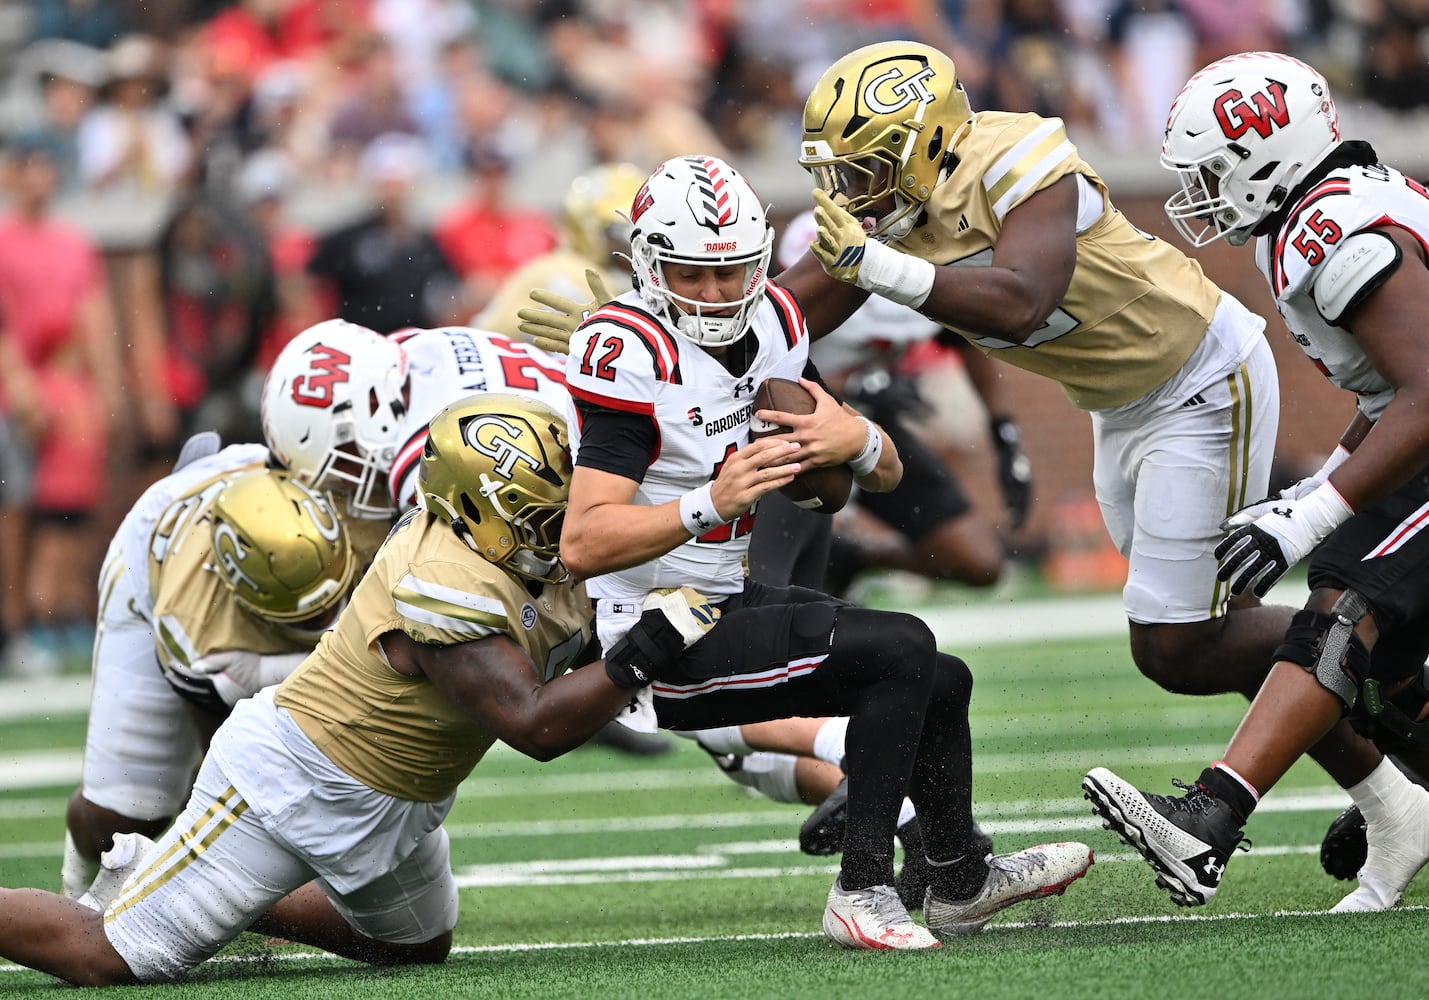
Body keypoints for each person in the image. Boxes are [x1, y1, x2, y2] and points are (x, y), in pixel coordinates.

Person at [764, 39, 1407, 838]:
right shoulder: (889, 215)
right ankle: (1394, 795)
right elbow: (779, 319)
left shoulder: (1015, 156)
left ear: (927, 144)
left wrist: (877, 268)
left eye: (867, 168)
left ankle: (1388, 684)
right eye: (840, 173)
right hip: (1118, 405)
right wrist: (667, 338)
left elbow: (1022, 301)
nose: (851, 191)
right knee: (1216, 625)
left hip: (1199, 378)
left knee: (1178, 641)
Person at [0, 393, 719, 985]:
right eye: (535, 513)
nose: (556, 527)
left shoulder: (522, 544)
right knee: (111, 956)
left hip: (402, 797)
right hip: (298, 781)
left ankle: (182, 877)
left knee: (413, 945)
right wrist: (647, 647)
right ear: (473, 508)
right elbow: (536, 726)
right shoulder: (442, 580)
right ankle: (188, 882)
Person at [559, 153, 1091, 950]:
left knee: (942, 677)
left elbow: (853, 482)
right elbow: (583, 541)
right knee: (899, 648)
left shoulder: (774, 322)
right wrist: (711, 502)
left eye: (730, 271)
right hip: (649, 631)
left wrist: (857, 441)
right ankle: (862, 887)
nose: (713, 294)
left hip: (723, 597)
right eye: (690, 273)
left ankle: (959, 879)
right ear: (645, 263)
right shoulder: (630, 349)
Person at [1082, 51, 1429, 913]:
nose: (1199, 194)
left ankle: (1210, 816)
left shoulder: (1334, 229)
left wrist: (1311, 514)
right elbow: (1389, 396)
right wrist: (1321, 485)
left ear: (1265, 153)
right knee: (1371, 657)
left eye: (1211, 172)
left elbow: (1426, 390)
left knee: (1345, 611)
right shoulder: (1319, 213)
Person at [61, 458, 356, 901]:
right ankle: (76, 878)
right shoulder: (193, 623)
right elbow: (227, 765)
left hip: (255, 496)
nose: (324, 616)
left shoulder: (356, 512)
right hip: (151, 563)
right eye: (309, 611)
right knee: (131, 811)